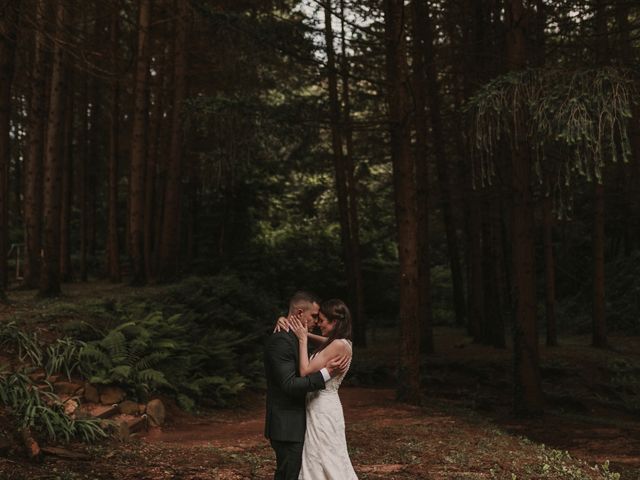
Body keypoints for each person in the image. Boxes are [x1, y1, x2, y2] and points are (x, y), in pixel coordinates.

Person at [264, 292, 350, 480]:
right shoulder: (281, 341)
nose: (317, 322)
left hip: (304, 420)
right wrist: (326, 373)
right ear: (300, 313)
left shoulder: (297, 338)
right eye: (313, 317)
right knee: (290, 475)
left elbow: (331, 344)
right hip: (287, 425)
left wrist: (302, 333)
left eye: (320, 318)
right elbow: (289, 384)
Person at [287, 298, 358, 480]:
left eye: (322, 320)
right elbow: (326, 340)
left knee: (325, 456)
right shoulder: (343, 342)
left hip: (322, 407)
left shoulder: (337, 345)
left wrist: (302, 340)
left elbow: (304, 372)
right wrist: (304, 332)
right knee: (321, 455)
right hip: (323, 405)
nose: (319, 324)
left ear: (334, 322)